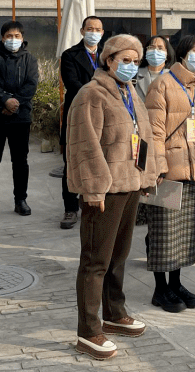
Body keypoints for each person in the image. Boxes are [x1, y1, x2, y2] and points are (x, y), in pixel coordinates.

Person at [67, 34, 163, 360]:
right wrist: (93, 188)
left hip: (130, 185)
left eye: (136, 60)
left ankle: (114, 312)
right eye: (125, 60)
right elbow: (84, 147)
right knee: (96, 261)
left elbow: (144, 136)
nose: (131, 66)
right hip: (105, 191)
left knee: (118, 256)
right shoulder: (91, 95)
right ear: (108, 61)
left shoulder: (130, 92)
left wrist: (146, 176)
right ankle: (89, 330)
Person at [143, 34, 195, 312]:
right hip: (167, 170)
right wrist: (157, 166)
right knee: (163, 232)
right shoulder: (162, 85)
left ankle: (176, 283)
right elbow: (154, 132)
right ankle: (160, 289)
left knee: (182, 233)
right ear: (183, 53)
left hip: (191, 167)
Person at [0, 20, 40, 218]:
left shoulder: (30, 60)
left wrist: (14, 103)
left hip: (20, 118)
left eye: (17, 36)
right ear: (2, 38)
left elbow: (31, 85)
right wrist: (4, 101)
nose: (13, 40)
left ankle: (21, 200)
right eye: (9, 36)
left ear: (22, 38)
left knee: (20, 162)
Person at [59, 15, 106, 229]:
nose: (93, 32)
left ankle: (97, 201)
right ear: (82, 31)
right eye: (90, 28)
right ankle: (70, 209)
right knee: (72, 162)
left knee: (102, 158)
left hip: (105, 116)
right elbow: (73, 83)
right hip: (78, 113)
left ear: (103, 33)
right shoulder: (70, 55)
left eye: (97, 29)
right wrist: (99, 95)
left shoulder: (108, 56)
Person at [135, 34, 173, 103]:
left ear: (167, 53)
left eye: (160, 48)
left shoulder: (174, 77)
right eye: (151, 47)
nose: (155, 51)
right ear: (145, 52)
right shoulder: (134, 75)